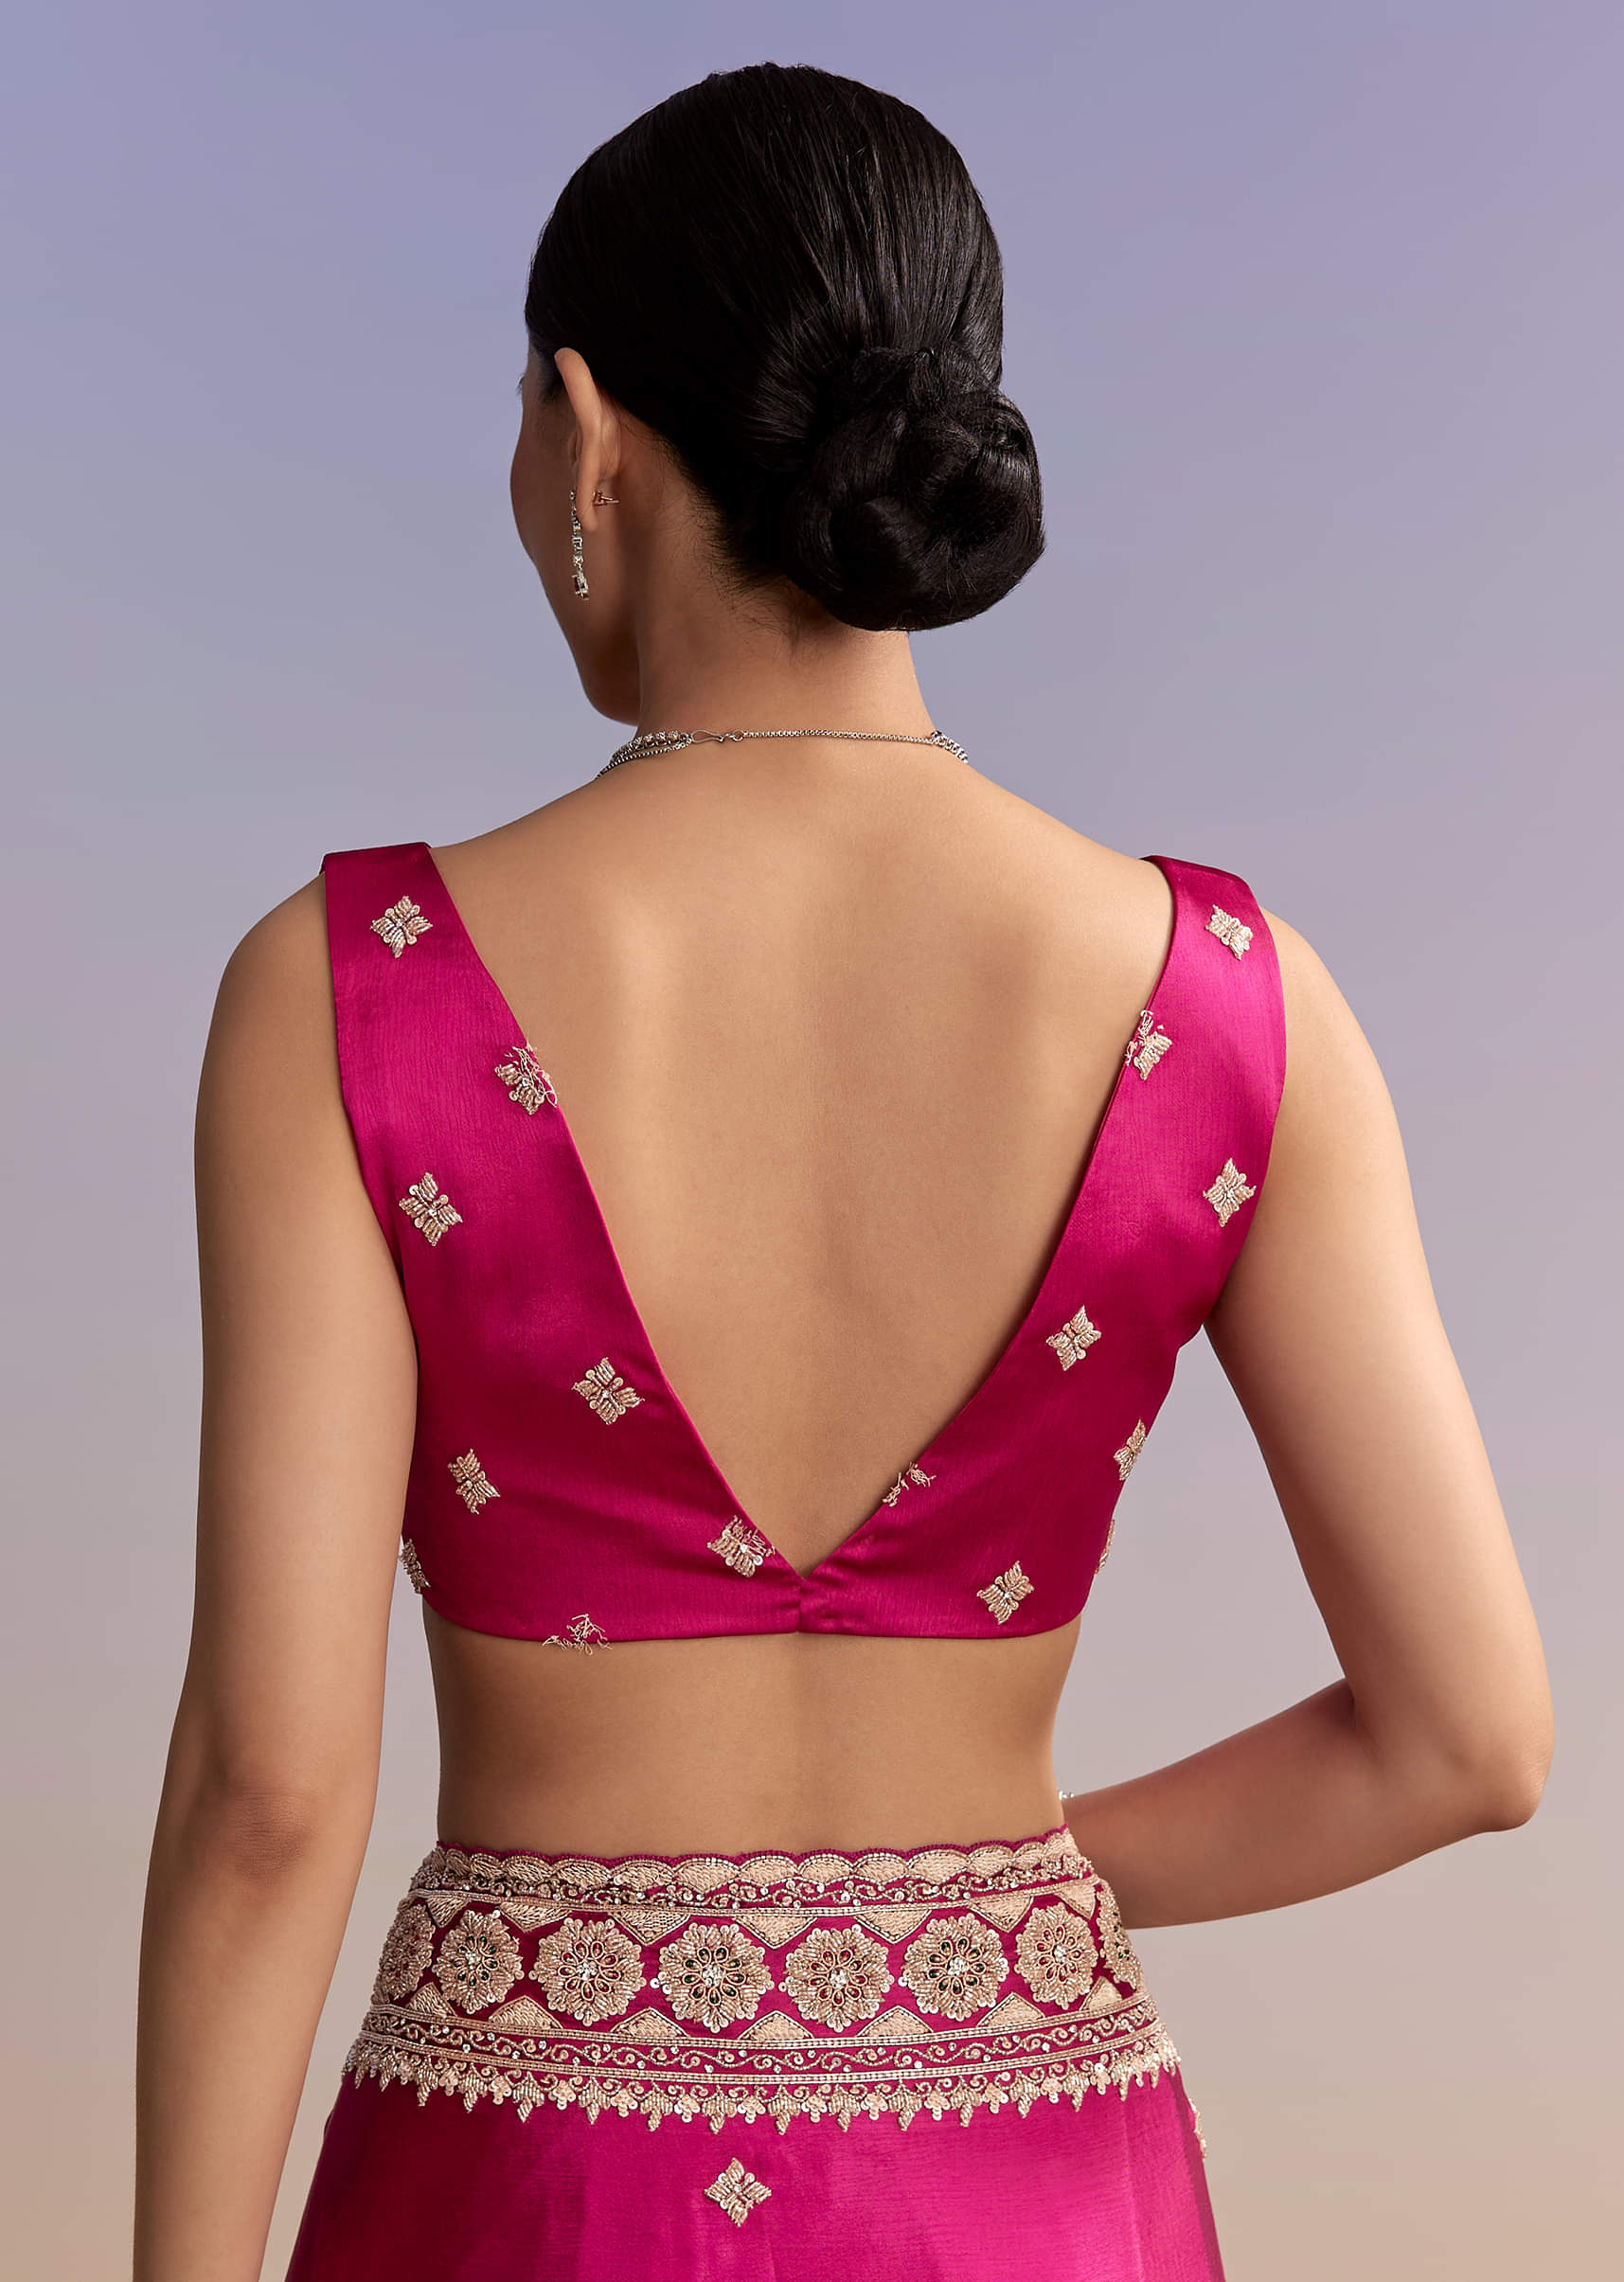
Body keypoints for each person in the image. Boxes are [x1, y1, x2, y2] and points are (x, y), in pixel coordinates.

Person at [133, 62, 1552, 2282]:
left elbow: (271, 1794)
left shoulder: (346, 985)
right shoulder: (1231, 1001)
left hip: (524, 2193)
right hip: (1039, 2189)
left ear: (586, 432)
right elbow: (1468, 1740)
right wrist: (972, 1902)